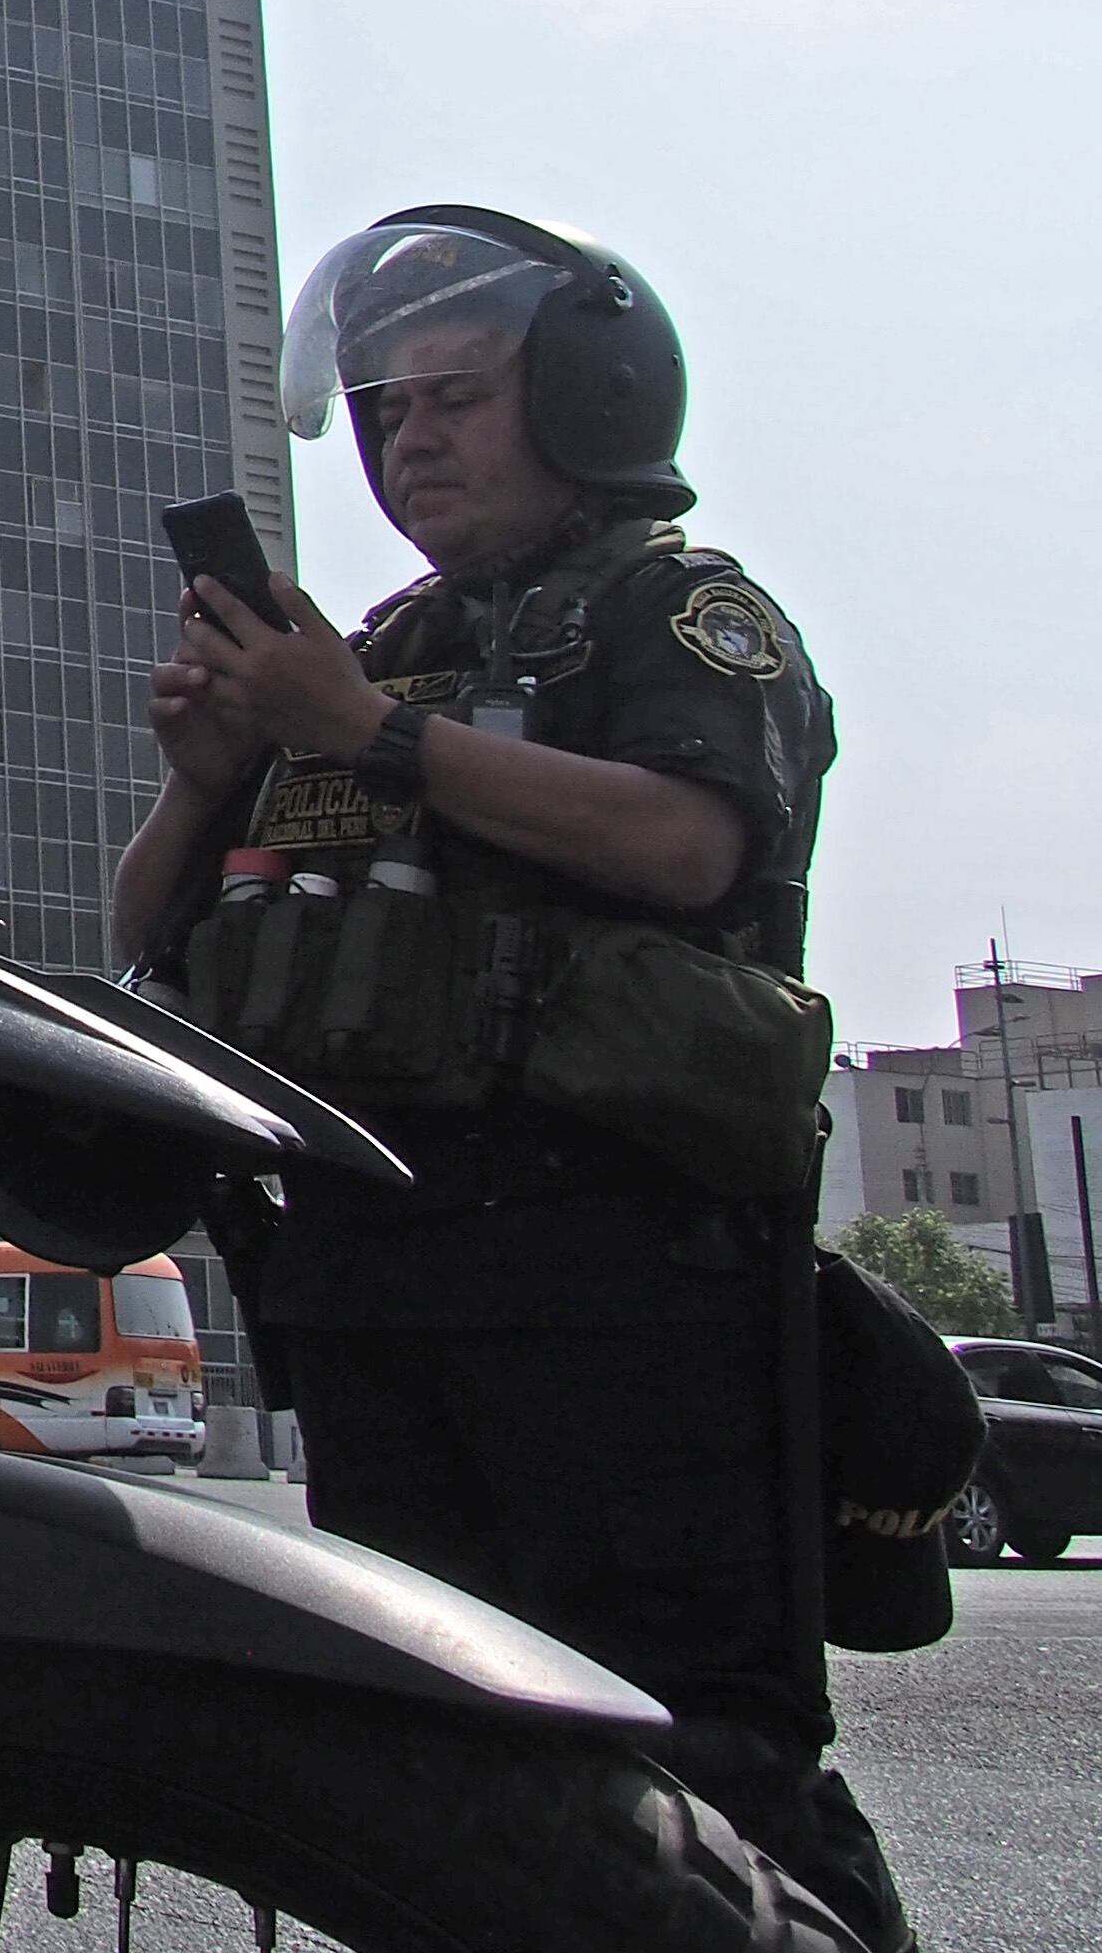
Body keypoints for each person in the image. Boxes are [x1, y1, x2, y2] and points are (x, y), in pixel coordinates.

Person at [110, 207, 897, 1948]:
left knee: (705, 1766)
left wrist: (369, 736)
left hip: (622, 1299)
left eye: (455, 401)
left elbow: (691, 845)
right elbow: (156, 933)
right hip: (379, 1293)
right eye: (388, 414)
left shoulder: (675, 614)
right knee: (429, 1776)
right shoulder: (370, 649)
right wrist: (205, 771)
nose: (411, 444)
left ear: (585, 399)